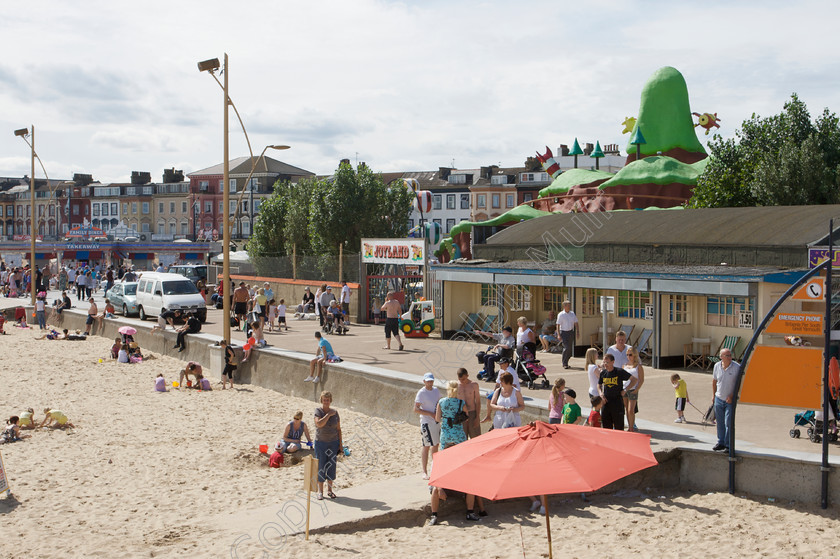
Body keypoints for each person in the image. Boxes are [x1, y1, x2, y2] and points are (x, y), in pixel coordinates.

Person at [428, 380, 482, 526]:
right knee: (466, 469)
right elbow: (466, 416)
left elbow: (438, 419)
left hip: (446, 436)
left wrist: (447, 417)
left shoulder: (442, 402)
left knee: (440, 469)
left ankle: (434, 516)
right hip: (459, 435)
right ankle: (470, 512)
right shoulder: (460, 402)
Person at [313, 391, 342, 500]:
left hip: (333, 442)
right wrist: (328, 414)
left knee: (331, 466)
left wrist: (340, 445)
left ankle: (330, 490)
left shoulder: (336, 413)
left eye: (328, 400)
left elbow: (338, 429)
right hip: (321, 443)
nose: (326, 402)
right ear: (322, 400)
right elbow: (319, 424)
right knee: (321, 466)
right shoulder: (318, 411)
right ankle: (320, 492)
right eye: (325, 400)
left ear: (330, 401)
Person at [414, 372, 441, 479]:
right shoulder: (421, 393)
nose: (430, 383)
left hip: (436, 422)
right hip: (426, 422)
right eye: (428, 381)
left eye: (431, 380)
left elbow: (439, 403)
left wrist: (438, 415)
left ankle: (434, 468)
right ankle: (424, 471)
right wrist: (430, 414)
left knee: (436, 445)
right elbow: (416, 409)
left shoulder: (436, 390)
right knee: (426, 446)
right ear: (424, 381)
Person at [712, 348, 739, 452]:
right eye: (727, 355)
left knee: (728, 422)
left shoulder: (736, 367)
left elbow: (739, 385)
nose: (729, 357)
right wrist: (713, 396)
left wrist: (732, 396)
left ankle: (729, 445)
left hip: (730, 400)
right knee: (720, 422)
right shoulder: (716, 366)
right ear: (721, 357)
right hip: (719, 397)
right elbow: (714, 381)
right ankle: (721, 442)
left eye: (730, 355)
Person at [597, 354, 631, 430]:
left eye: (607, 362)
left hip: (617, 402)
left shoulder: (619, 371)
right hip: (606, 402)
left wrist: (625, 389)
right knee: (606, 427)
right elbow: (599, 384)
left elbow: (634, 379)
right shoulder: (603, 373)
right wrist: (600, 393)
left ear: (613, 362)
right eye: (604, 362)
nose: (605, 364)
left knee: (619, 427)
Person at [624, 347, 645, 432]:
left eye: (630, 355)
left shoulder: (638, 366)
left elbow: (641, 379)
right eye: (627, 355)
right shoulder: (625, 365)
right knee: (626, 409)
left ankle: (631, 427)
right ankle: (629, 426)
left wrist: (637, 389)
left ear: (635, 355)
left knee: (631, 410)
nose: (629, 356)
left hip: (633, 389)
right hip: (624, 388)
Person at [456, 368, 481, 439]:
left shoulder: (474, 385)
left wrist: (477, 417)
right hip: (461, 414)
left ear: (467, 375)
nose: (462, 381)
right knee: (462, 439)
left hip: (472, 413)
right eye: (460, 379)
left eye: (464, 379)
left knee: (476, 438)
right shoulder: (456, 386)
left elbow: (478, 402)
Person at [556, 300, 579, 368]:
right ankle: (564, 363)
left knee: (570, 349)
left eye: (570, 305)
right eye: (568, 305)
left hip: (570, 332)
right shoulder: (561, 314)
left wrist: (577, 332)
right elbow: (557, 325)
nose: (569, 307)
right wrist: (558, 334)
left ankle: (566, 361)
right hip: (563, 332)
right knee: (566, 347)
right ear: (564, 306)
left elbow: (576, 323)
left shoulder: (572, 313)